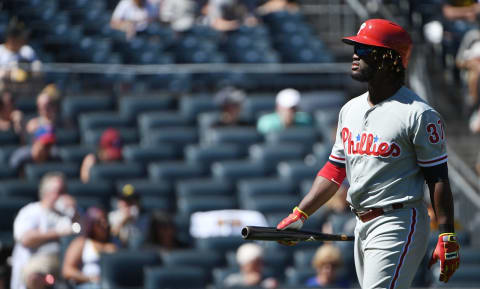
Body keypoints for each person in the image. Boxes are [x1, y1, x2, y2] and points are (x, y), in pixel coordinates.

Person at [276, 19, 460, 288]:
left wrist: (447, 236)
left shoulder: (419, 114)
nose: (354, 55)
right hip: (361, 222)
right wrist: (301, 213)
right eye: (355, 49)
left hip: (397, 221)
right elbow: (335, 169)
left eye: (364, 50)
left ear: (389, 59)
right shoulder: (349, 109)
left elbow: (438, 178)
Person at [10, 172, 76, 289]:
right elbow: (26, 239)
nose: (63, 196)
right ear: (46, 193)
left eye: (65, 191)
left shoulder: (69, 213)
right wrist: (58, 233)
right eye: (59, 192)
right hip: (35, 268)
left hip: (65, 269)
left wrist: (75, 212)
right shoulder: (31, 211)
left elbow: (82, 232)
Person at [62, 207, 116, 289]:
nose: (104, 225)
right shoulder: (81, 243)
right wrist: (91, 279)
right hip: (88, 285)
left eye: (106, 221)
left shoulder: (115, 243)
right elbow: (67, 270)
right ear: (91, 224)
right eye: (99, 223)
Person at [108, 184, 149, 249]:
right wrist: (123, 221)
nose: (128, 204)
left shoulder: (145, 219)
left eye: (131, 201)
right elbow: (110, 237)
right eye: (125, 200)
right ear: (119, 202)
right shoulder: (112, 217)